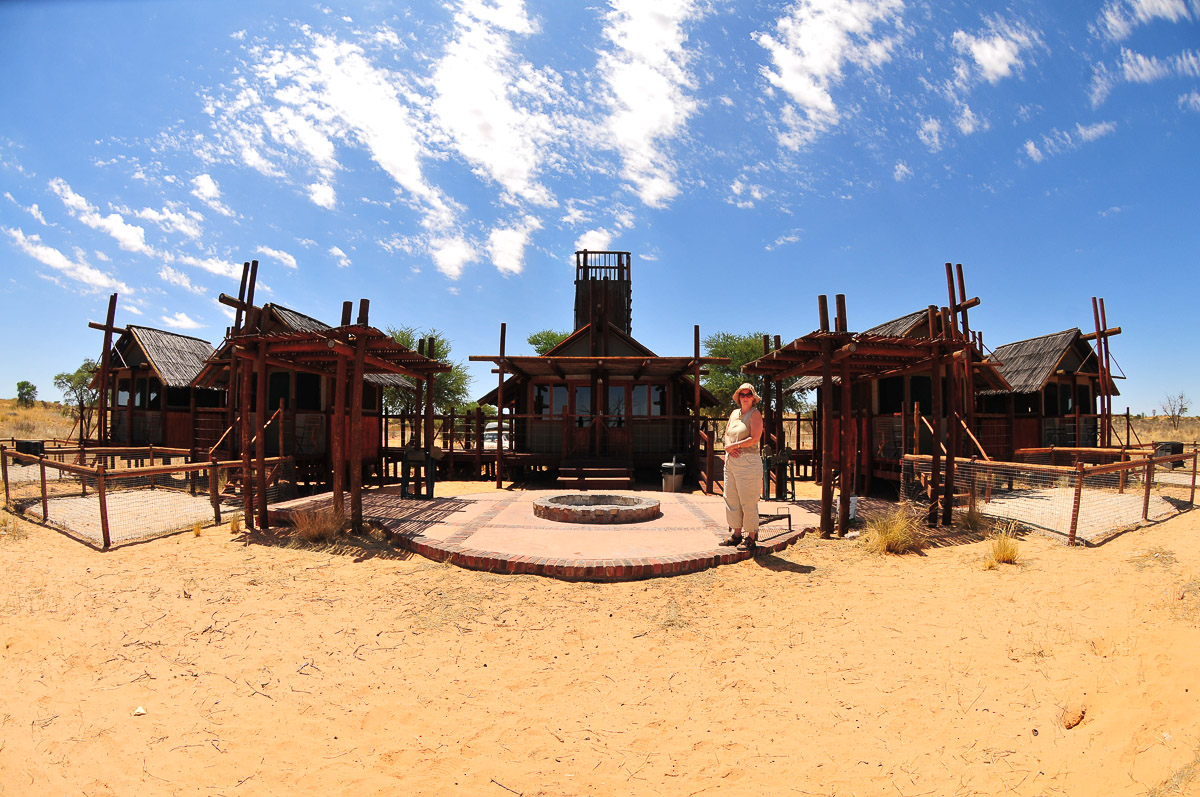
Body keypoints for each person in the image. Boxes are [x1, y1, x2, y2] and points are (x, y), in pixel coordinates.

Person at [720, 382, 763, 551]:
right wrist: (729, 447)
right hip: (731, 460)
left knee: (748, 500)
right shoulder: (734, 413)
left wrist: (735, 446)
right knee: (731, 498)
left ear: (753, 398)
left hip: (748, 462)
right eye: (742, 395)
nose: (745, 397)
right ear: (738, 397)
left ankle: (751, 536)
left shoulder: (755, 414)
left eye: (748, 394)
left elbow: (755, 438)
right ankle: (736, 534)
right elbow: (726, 433)